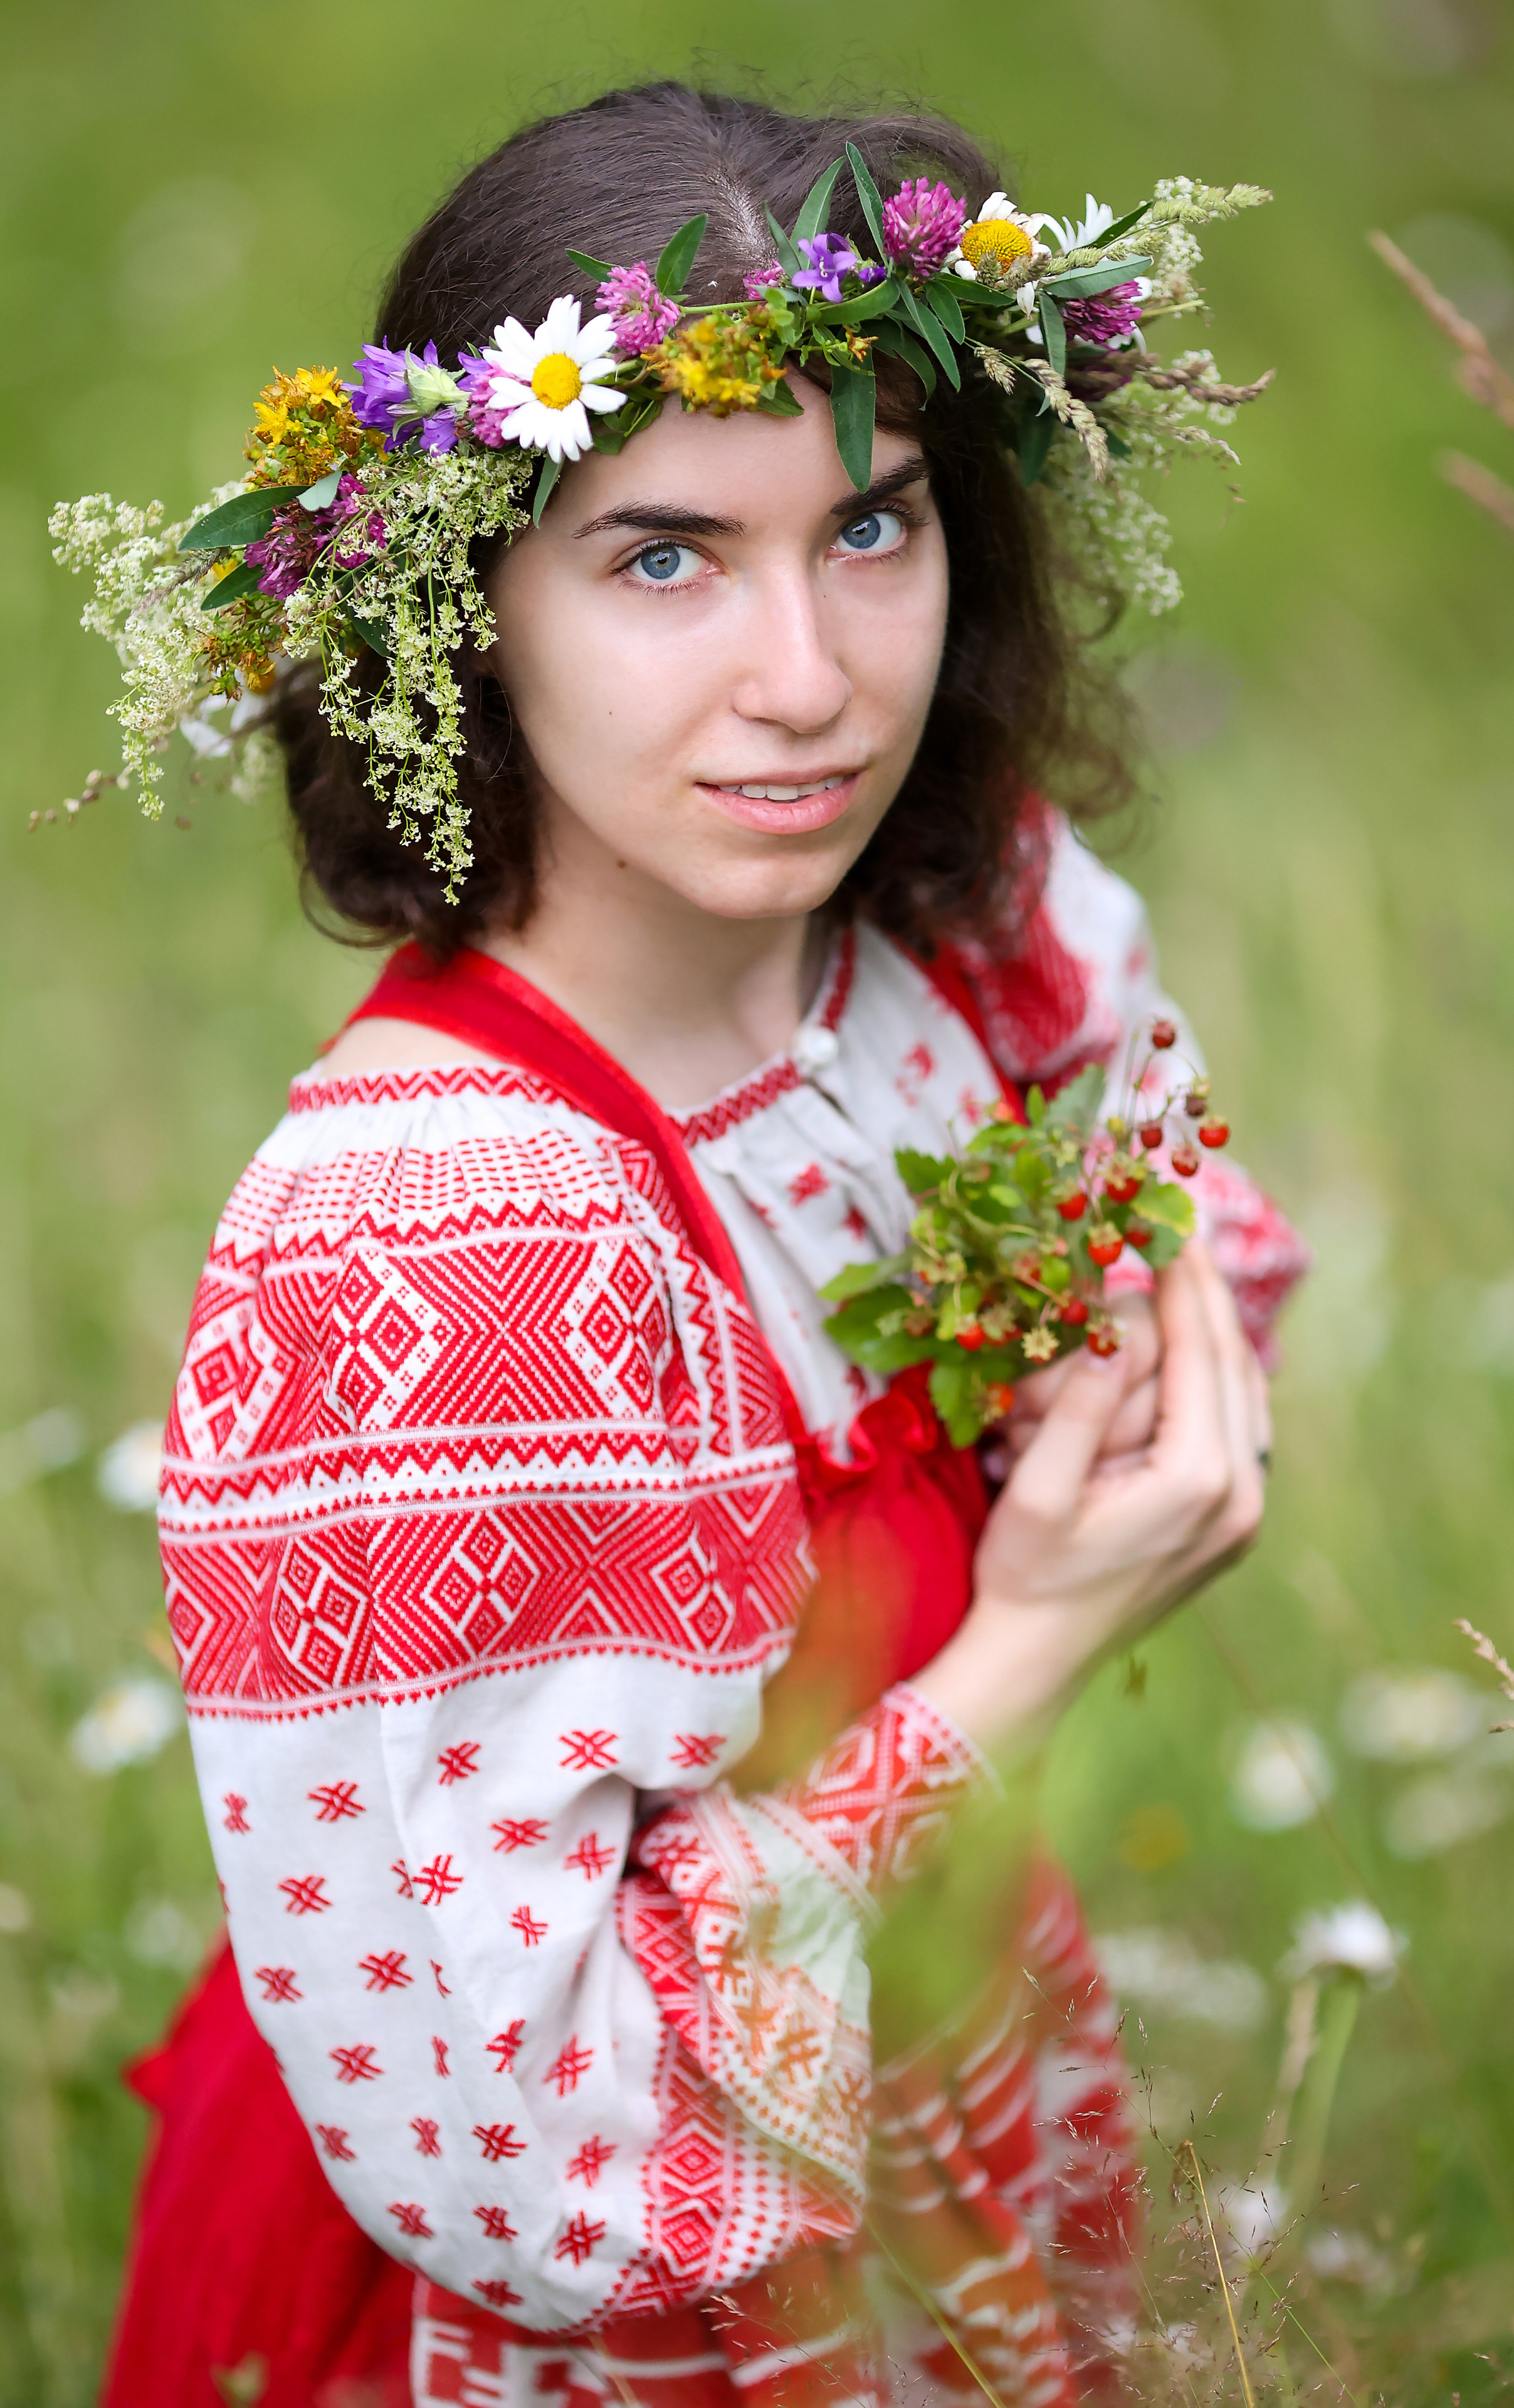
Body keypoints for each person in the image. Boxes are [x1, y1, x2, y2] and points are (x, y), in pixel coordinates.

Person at [98, 83, 1306, 2408]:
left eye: (874, 526)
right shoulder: (444, 1251)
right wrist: (1035, 1643)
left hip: (936, 2110)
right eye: (662, 555)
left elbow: (1191, 1241)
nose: (811, 676)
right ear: (467, 605)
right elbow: (564, 2156)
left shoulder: (963, 934)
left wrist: (1104, 1396)